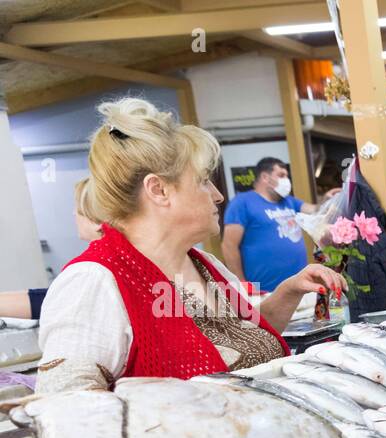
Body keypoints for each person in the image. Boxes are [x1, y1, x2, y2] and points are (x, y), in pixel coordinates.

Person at [36, 98, 342, 394]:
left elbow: (244, 340)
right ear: (159, 190)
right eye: (203, 181)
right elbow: (64, 407)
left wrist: (289, 291)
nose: (218, 196)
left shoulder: (205, 265)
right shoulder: (94, 282)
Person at [221, 155, 334, 293]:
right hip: (263, 291)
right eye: (281, 175)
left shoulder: (289, 201)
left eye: (286, 176)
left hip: (299, 287)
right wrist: (241, 284)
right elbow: (229, 245)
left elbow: (315, 211)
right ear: (265, 177)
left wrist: (327, 199)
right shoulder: (242, 202)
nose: (286, 180)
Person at [0, 178, 102, 322]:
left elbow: (56, 301)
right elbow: (54, 295)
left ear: (96, 221)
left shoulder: (92, 269)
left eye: (78, 209)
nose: (74, 213)